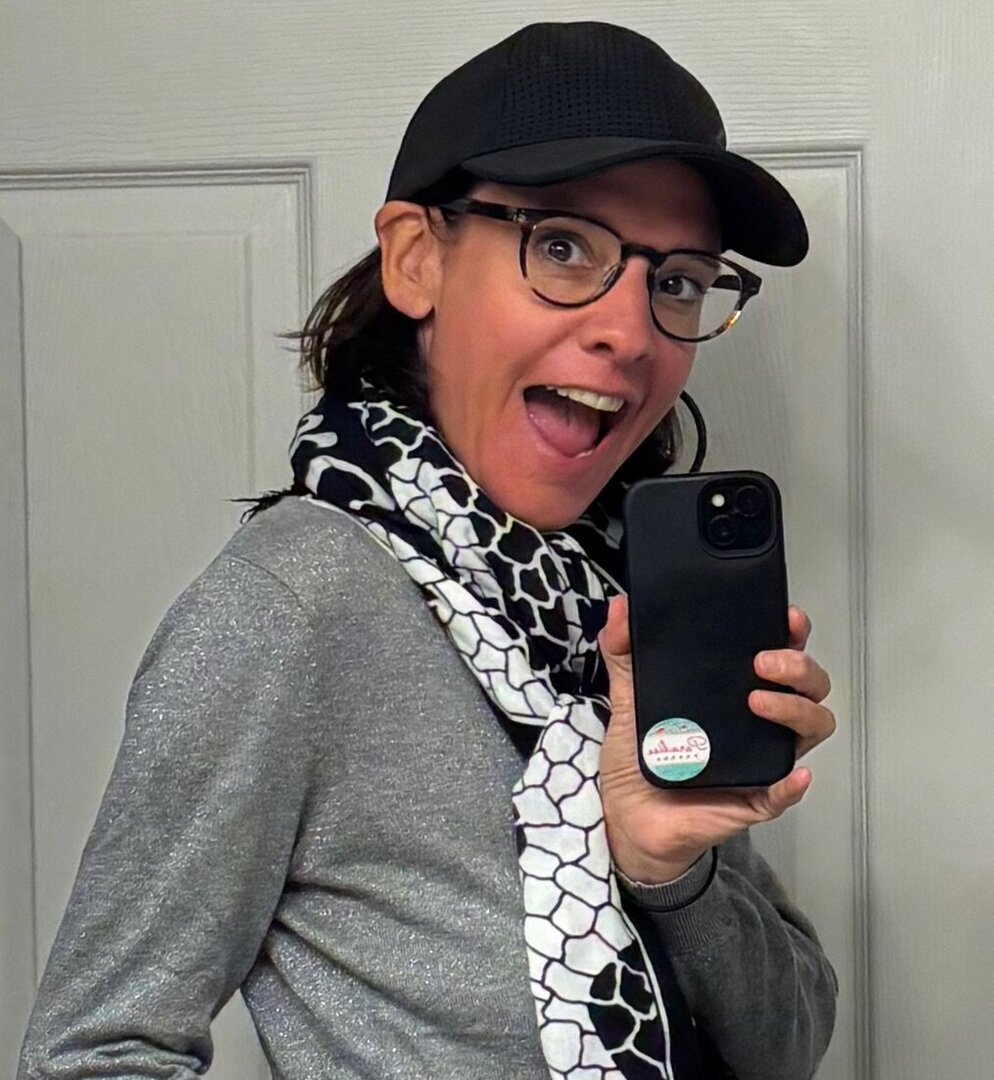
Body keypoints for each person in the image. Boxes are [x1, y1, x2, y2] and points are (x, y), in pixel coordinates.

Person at [18, 20, 838, 1080]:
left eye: (677, 280)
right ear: (417, 259)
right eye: (563, 247)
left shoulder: (622, 611)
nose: (633, 332)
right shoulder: (292, 608)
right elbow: (91, 1052)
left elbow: (788, 1044)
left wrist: (670, 876)